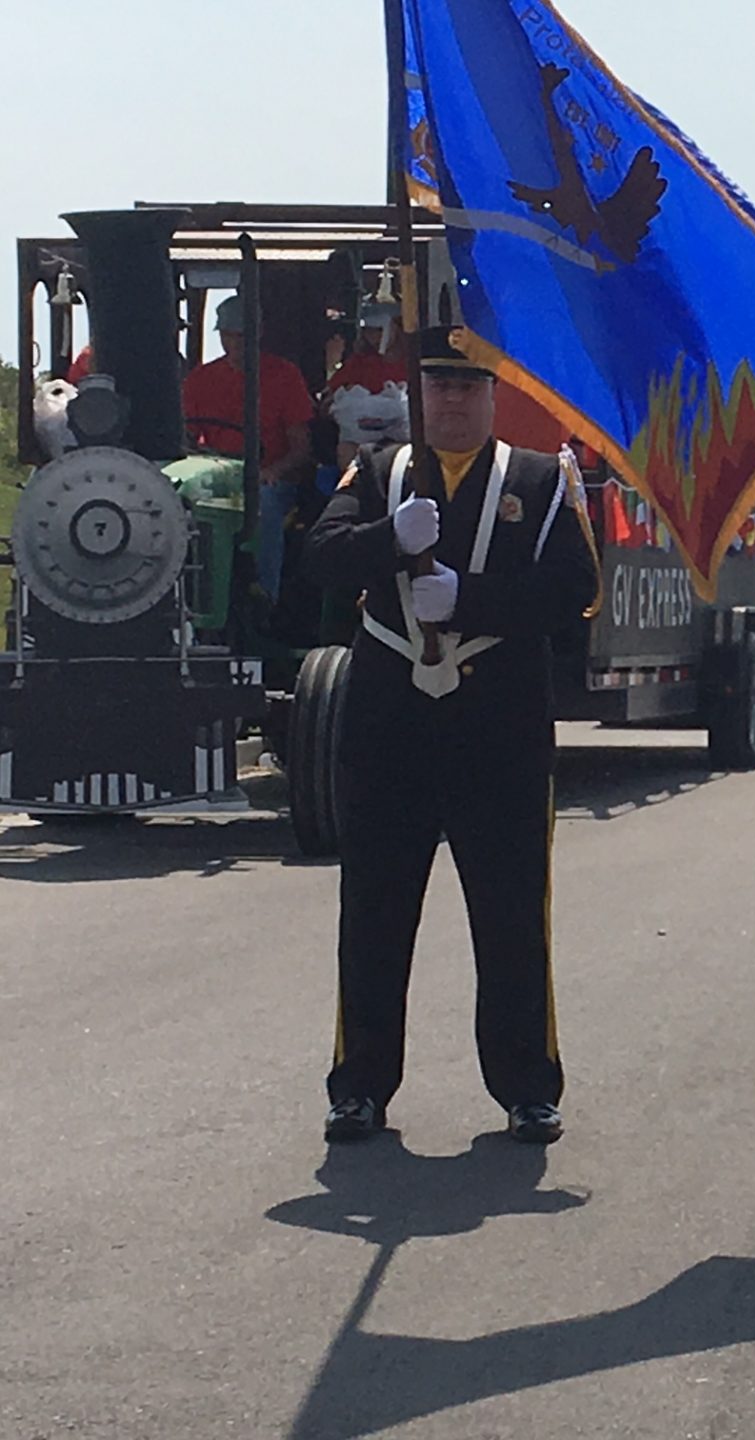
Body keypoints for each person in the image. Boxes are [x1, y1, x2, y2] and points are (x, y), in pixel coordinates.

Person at [304, 327, 602, 1146]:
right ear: (417, 396)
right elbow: (319, 558)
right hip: (389, 732)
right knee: (373, 914)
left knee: (511, 917)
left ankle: (526, 1086)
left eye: (467, 388)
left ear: (493, 396)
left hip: (496, 733)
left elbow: (576, 592)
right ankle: (359, 1086)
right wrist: (387, 543)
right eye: (436, 388)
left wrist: (467, 600)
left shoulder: (542, 481)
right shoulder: (378, 475)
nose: (451, 402)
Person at [181, 295, 315, 601]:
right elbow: (187, 438)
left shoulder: (284, 375)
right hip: (217, 479)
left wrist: (271, 471)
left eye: (242, 335)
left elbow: (301, 449)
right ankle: (190, 600)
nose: (235, 343)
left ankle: (266, 598)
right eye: (228, 335)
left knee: (264, 505)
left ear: (258, 333)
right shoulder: (200, 379)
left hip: (270, 479)